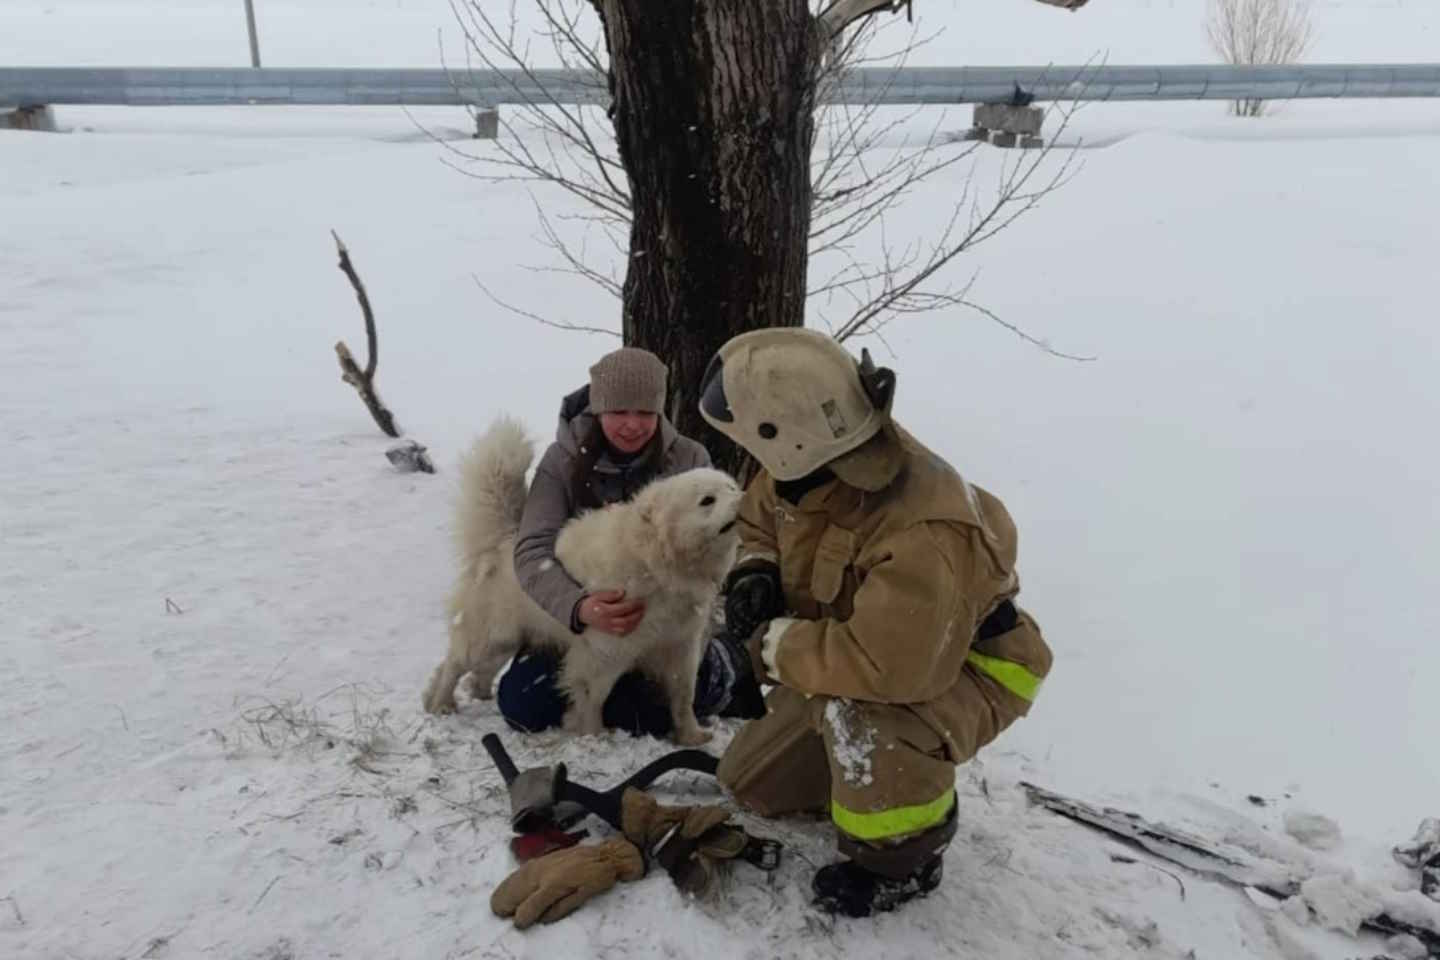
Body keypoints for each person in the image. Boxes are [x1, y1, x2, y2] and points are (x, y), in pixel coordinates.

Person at [696, 327, 1054, 918]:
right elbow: (760, 522)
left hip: (968, 666)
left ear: (786, 435)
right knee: (750, 786)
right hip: (872, 649)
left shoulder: (925, 530)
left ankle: (903, 856)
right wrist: (754, 571)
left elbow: (887, 667)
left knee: (862, 717)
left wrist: (765, 649)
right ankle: (856, 777)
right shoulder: (802, 461)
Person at [496, 346, 765, 736]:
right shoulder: (562, 461)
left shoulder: (690, 457)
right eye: (619, 412)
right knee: (521, 704)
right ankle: (623, 696)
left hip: (670, 622)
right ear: (597, 408)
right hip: (585, 624)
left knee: (695, 694)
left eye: (644, 413)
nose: (632, 425)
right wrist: (578, 607)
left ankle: (719, 661)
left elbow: (720, 532)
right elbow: (533, 551)